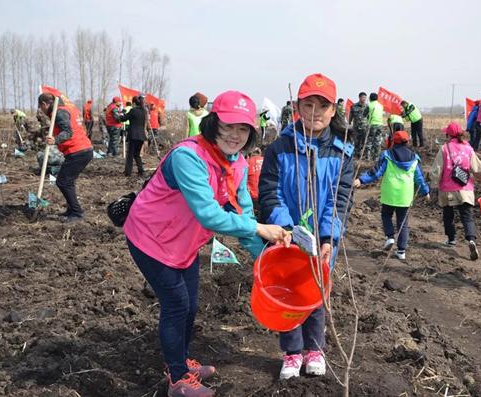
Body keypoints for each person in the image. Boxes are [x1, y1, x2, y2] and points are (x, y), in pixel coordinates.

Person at [124, 90, 291, 397]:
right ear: (213, 124)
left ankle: (180, 361)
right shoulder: (188, 157)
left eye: (243, 129)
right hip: (150, 239)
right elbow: (210, 216)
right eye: (228, 126)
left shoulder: (238, 164)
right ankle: (178, 381)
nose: (235, 135)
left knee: (190, 307)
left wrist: (266, 258)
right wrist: (260, 228)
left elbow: (242, 217)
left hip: (183, 244)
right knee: (176, 306)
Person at [259, 73, 354, 381]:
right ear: (297, 106)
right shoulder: (278, 148)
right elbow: (270, 192)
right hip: (286, 237)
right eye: (308, 104)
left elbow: (338, 202)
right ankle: (291, 352)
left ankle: (315, 349)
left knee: (314, 293)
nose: (315, 112)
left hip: (323, 239)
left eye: (322, 106)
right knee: (287, 293)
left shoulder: (341, 154)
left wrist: (326, 237)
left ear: (333, 111)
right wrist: (286, 229)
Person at [354, 131, 430, 260]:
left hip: (389, 193)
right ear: (408, 142)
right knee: (403, 223)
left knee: (386, 215)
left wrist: (361, 180)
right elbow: (419, 178)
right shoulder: (414, 158)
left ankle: (389, 237)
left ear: (393, 141)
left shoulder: (387, 155)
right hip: (405, 195)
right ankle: (401, 251)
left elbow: (376, 172)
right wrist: (426, 191)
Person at [430, 122, 481, 261]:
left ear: (448, 135)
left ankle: (451, 239)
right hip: (465, 189)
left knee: (448, 215)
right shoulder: (468, 149)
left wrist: (433, 185)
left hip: (447, 190)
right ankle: (471, 240)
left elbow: (437, 170)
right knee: (467, 216)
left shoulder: (444, 148)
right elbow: (478, 168)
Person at [38, 92, 93, 222]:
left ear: (45, 104)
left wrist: (55, 140)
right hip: (80, 150)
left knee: (63, 182)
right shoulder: (64, 110)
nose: (41, 110)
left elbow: (68, 132)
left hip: (78, 151)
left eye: (41, 107)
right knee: (68, 181)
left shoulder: (59, 112)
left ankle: (77, 213)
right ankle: (71, 210)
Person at [119, 95, 148, 177]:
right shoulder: (143, 111)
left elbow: (123, 119)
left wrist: (121, 114)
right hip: (142, 136)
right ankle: (141, 171)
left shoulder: (133, 110)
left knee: (130, 155)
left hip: (133, 136)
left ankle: (128, 173)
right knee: (137, 155)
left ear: (134, 103)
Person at [348, 92, 369, 157]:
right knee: (356, 142)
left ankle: (362, 155)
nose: (364, 99)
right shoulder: (354, 106)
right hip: (356, 127)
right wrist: (349, 123)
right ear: (359, 97)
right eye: (363, 97)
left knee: (364, 142)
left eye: (365, 97)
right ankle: (355, 155)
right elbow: (351, 116)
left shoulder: (367, 107)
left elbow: (369, 117)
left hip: (365, 127)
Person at [367, 93, 384, 160]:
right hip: (380, 125)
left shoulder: (369, 105)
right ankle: (376, 157)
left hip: (372, 124)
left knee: (370, 141)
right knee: (377, 141)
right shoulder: (381, 105)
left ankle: (368, 157)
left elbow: (365, 114)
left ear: (370, 98)